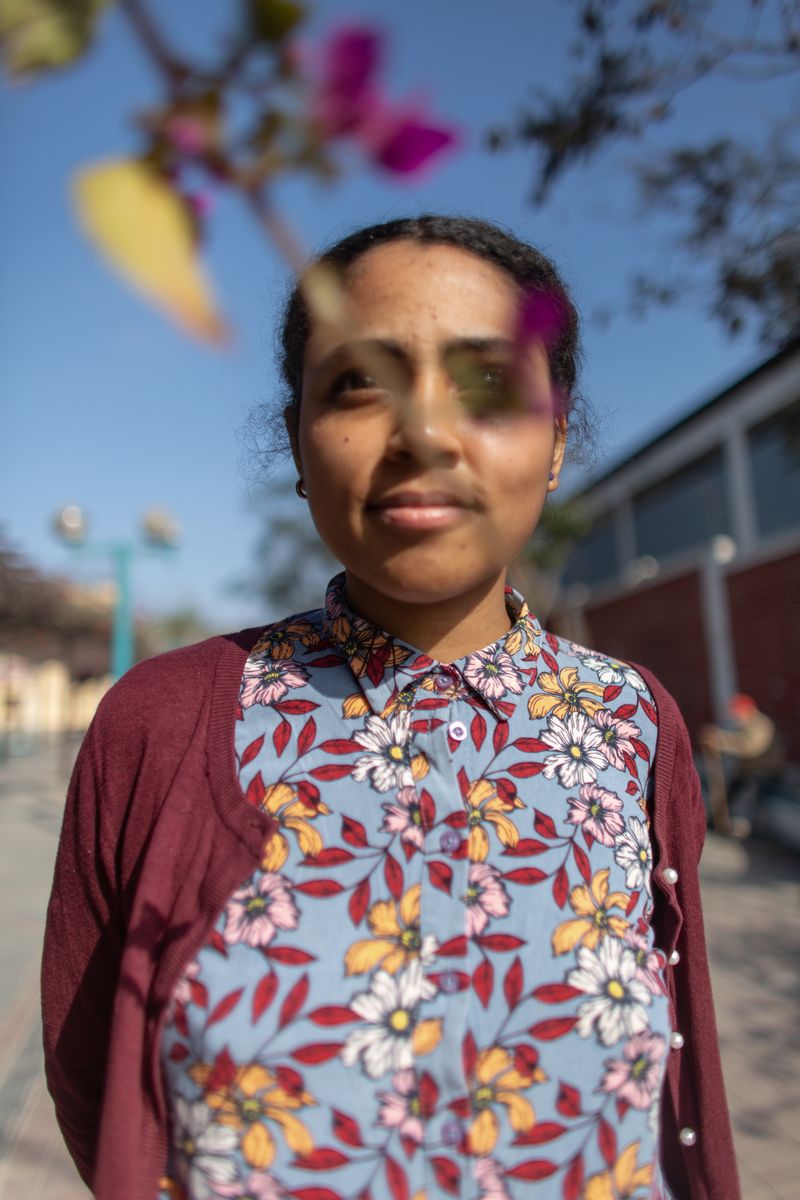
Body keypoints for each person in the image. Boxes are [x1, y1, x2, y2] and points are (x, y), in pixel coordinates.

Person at [42, 216, 739, 1200]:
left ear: (554, 441)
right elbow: (94, 1086)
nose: (422, 435)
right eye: (360, 383)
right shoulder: (162, 721)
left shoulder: (634, 724)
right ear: (297, 438)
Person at [700, 692, 784, 836]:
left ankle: (741, 824)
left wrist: (721, 741)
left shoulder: (761, 725)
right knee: (731, 791)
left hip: (765, 771)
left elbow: (749, 747)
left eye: (738, 714)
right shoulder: (745, 725)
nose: (736, 717)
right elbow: (739, 741)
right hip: (748, 771)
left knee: (747, 793)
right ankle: (718, 820)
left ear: (748, 711)